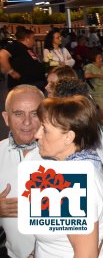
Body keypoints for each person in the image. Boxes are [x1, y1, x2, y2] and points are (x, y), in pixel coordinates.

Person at [34, 95, 103, 257]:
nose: (37, 134)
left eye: (45, 129)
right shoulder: (87, 162)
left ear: (69, 137)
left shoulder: (73, 182)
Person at [0, 85, 45, 258]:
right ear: (6, 118)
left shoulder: (64, 154)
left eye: (34, 113)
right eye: (18, 114)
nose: (27, 122)